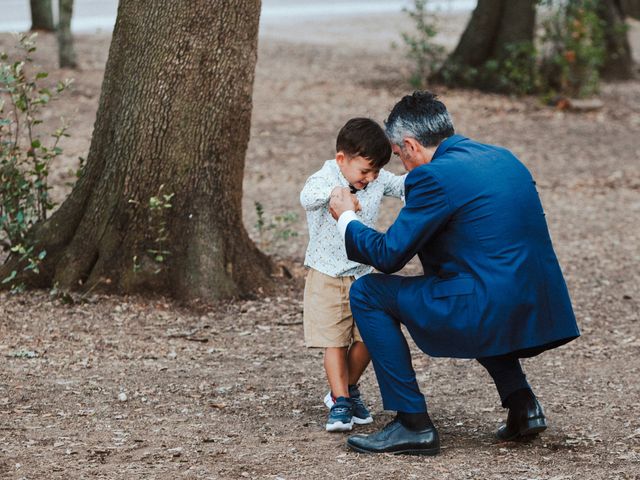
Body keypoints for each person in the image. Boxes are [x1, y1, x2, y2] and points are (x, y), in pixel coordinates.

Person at [329, 92, 580, 454]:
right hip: (537, 301)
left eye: (399, 156)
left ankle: (411, 422)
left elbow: (388, 256)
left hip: (488, 303)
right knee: (475, 288)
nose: (401, 166)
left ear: (411, 146)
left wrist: (346, 218)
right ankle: (523, 406)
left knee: (368, 292)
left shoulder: (432, 177)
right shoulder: (502, 157)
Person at [300, 117, 406, 432]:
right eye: (364, 171)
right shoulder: (325, 177)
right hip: (327, 273)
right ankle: (342, 400)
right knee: (334, 340)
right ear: (342, 160)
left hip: (362, 273)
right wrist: (337, 194)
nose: (371, 178)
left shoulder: (376, 179)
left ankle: (345, 389)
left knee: (369, 337)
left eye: (375, 171)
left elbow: (402, 185)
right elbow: (307, 197)